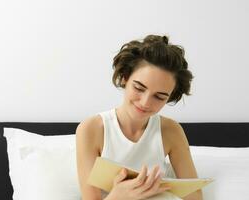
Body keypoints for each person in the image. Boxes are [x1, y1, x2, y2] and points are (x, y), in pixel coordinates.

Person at [75, 35, 202, 200]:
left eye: (159, 97)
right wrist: (119, 196)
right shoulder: (92, 129)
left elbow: (194, 196)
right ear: (125, 78)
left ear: (169, 97)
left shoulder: (171, 131)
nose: (145, 102)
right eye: (139, 88)